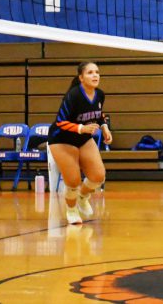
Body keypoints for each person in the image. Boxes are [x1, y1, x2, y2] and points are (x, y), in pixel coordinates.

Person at [48, 61, 112, 224]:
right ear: (81, 77)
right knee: (73, 181)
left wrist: (105, 127)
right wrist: (82, 128)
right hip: (62, 139)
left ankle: (83, 197)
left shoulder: (100, 94)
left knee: (98, 176)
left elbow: (98, 113)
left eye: (97, 72)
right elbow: (60, 122)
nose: (95, 75)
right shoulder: (73, 95)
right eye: (90, 72)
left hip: (82, 138)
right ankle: (71, 209)